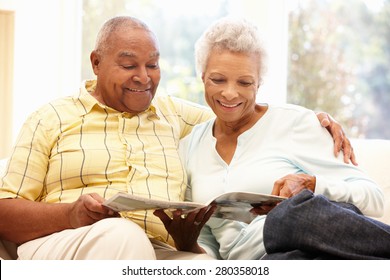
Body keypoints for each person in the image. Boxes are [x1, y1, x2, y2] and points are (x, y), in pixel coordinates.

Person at [0, 16, 355, 260]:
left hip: (160, 253)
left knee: (205, 269)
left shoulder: (175, 116)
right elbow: (4, 212)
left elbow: (239, 112)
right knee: (120, 236)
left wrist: (316, 120)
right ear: (96, 62)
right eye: (129, 65)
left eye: (152, 64)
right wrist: (70, 214)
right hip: (67, 244)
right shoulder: (51, 118)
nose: (144, 77)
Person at [154, 17, 390, 260]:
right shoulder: (190, 147)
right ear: (202, 76)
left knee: (290, 214)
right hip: (266, 262)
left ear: (259, 83)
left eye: (244, 82)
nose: (230, 93)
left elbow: (373, 197)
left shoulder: (296, 123)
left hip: (311, 236)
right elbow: (208, 242)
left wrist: (313, 185)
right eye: (218, 79)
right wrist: (188, 244)